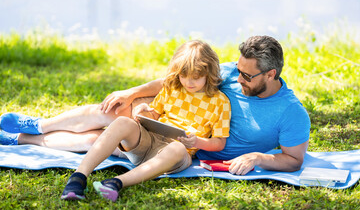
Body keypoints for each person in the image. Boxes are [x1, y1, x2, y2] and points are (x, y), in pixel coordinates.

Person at [0, 35, 310, 176]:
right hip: (173, 117)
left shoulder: (291, 112)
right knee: (112, 111)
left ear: (271, 74)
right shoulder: (232, 71)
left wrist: (258, 157)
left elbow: (294, 160)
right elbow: (176, 81)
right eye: (238, 70)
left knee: (97, 140)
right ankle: (40, 124)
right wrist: (132, 92)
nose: (237, 77)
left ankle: (23, 139)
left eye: (247, 75)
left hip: (192, 143)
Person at [60, 40, 231, 201]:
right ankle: (78, 178)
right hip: (149, 141)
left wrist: (197, 141)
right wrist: (144, 113)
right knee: (122, 122)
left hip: (175, 155)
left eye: (195, 76)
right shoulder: (173, 88)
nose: (188, 82)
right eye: (183, 75)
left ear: (209, 73)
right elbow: (155, 115)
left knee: (177, 147)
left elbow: (219, 143)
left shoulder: (220, 101)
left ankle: (116, 183)